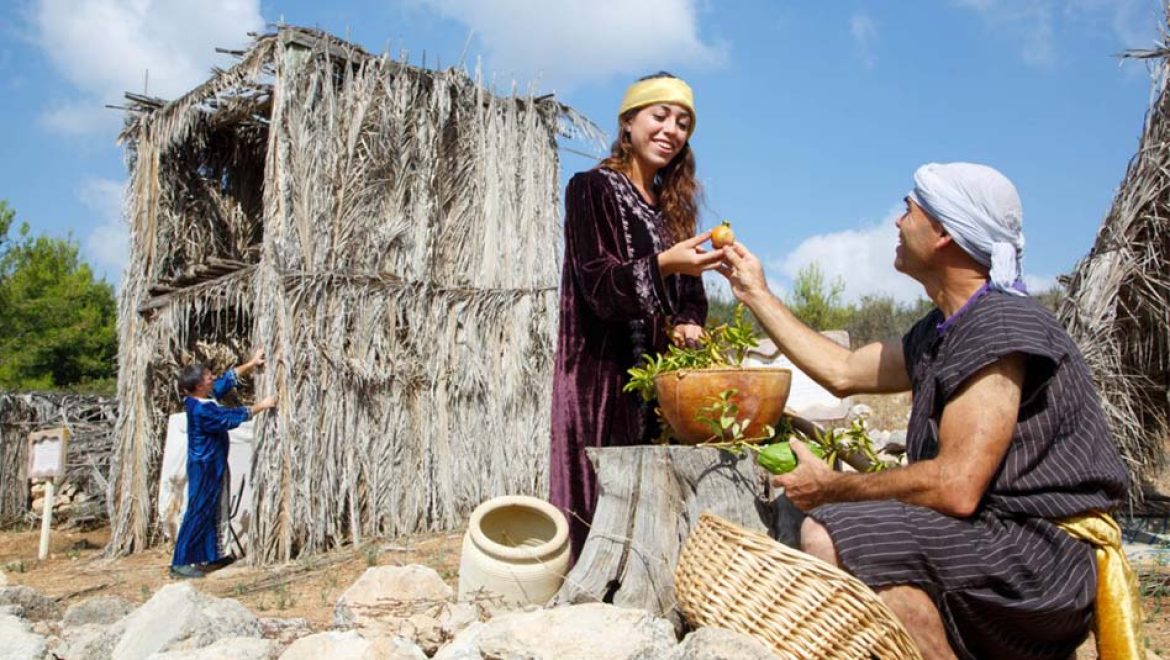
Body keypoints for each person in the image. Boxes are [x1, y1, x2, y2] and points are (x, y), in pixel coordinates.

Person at [717, 163, 1136, 659]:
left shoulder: (999, 324)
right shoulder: (943, 330)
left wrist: (835, 489)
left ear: (943, 233)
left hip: (1038, 557)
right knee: (884, 573)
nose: (897, 222)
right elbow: (846, 370)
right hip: (993, 543)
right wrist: (755, 293)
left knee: (832, 532)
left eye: (908, 210)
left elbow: (956, 486)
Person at [549, 72, 725, 559]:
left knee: (658, 502)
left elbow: (691, 294)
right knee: (602, 500)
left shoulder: (673, 212)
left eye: (683, 122)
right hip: (600, 375)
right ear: (628, 124)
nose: (672, 129)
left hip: (660, 378)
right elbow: (599, 286)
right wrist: (665, 264)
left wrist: (691, 320)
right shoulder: (590, 189)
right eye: (660, 116)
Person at [170, 349, 276, 579]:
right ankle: (180, 562)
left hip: (214, 462)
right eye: (208, 376)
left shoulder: (205, 397)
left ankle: (212, 554)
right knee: (198, 510)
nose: (212, 378)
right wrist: (263, 405)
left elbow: (227, 380)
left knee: (214, 508)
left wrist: (251, 363)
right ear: (199, 385)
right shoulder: (201, 410)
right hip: (204, 465)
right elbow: (230, 418)